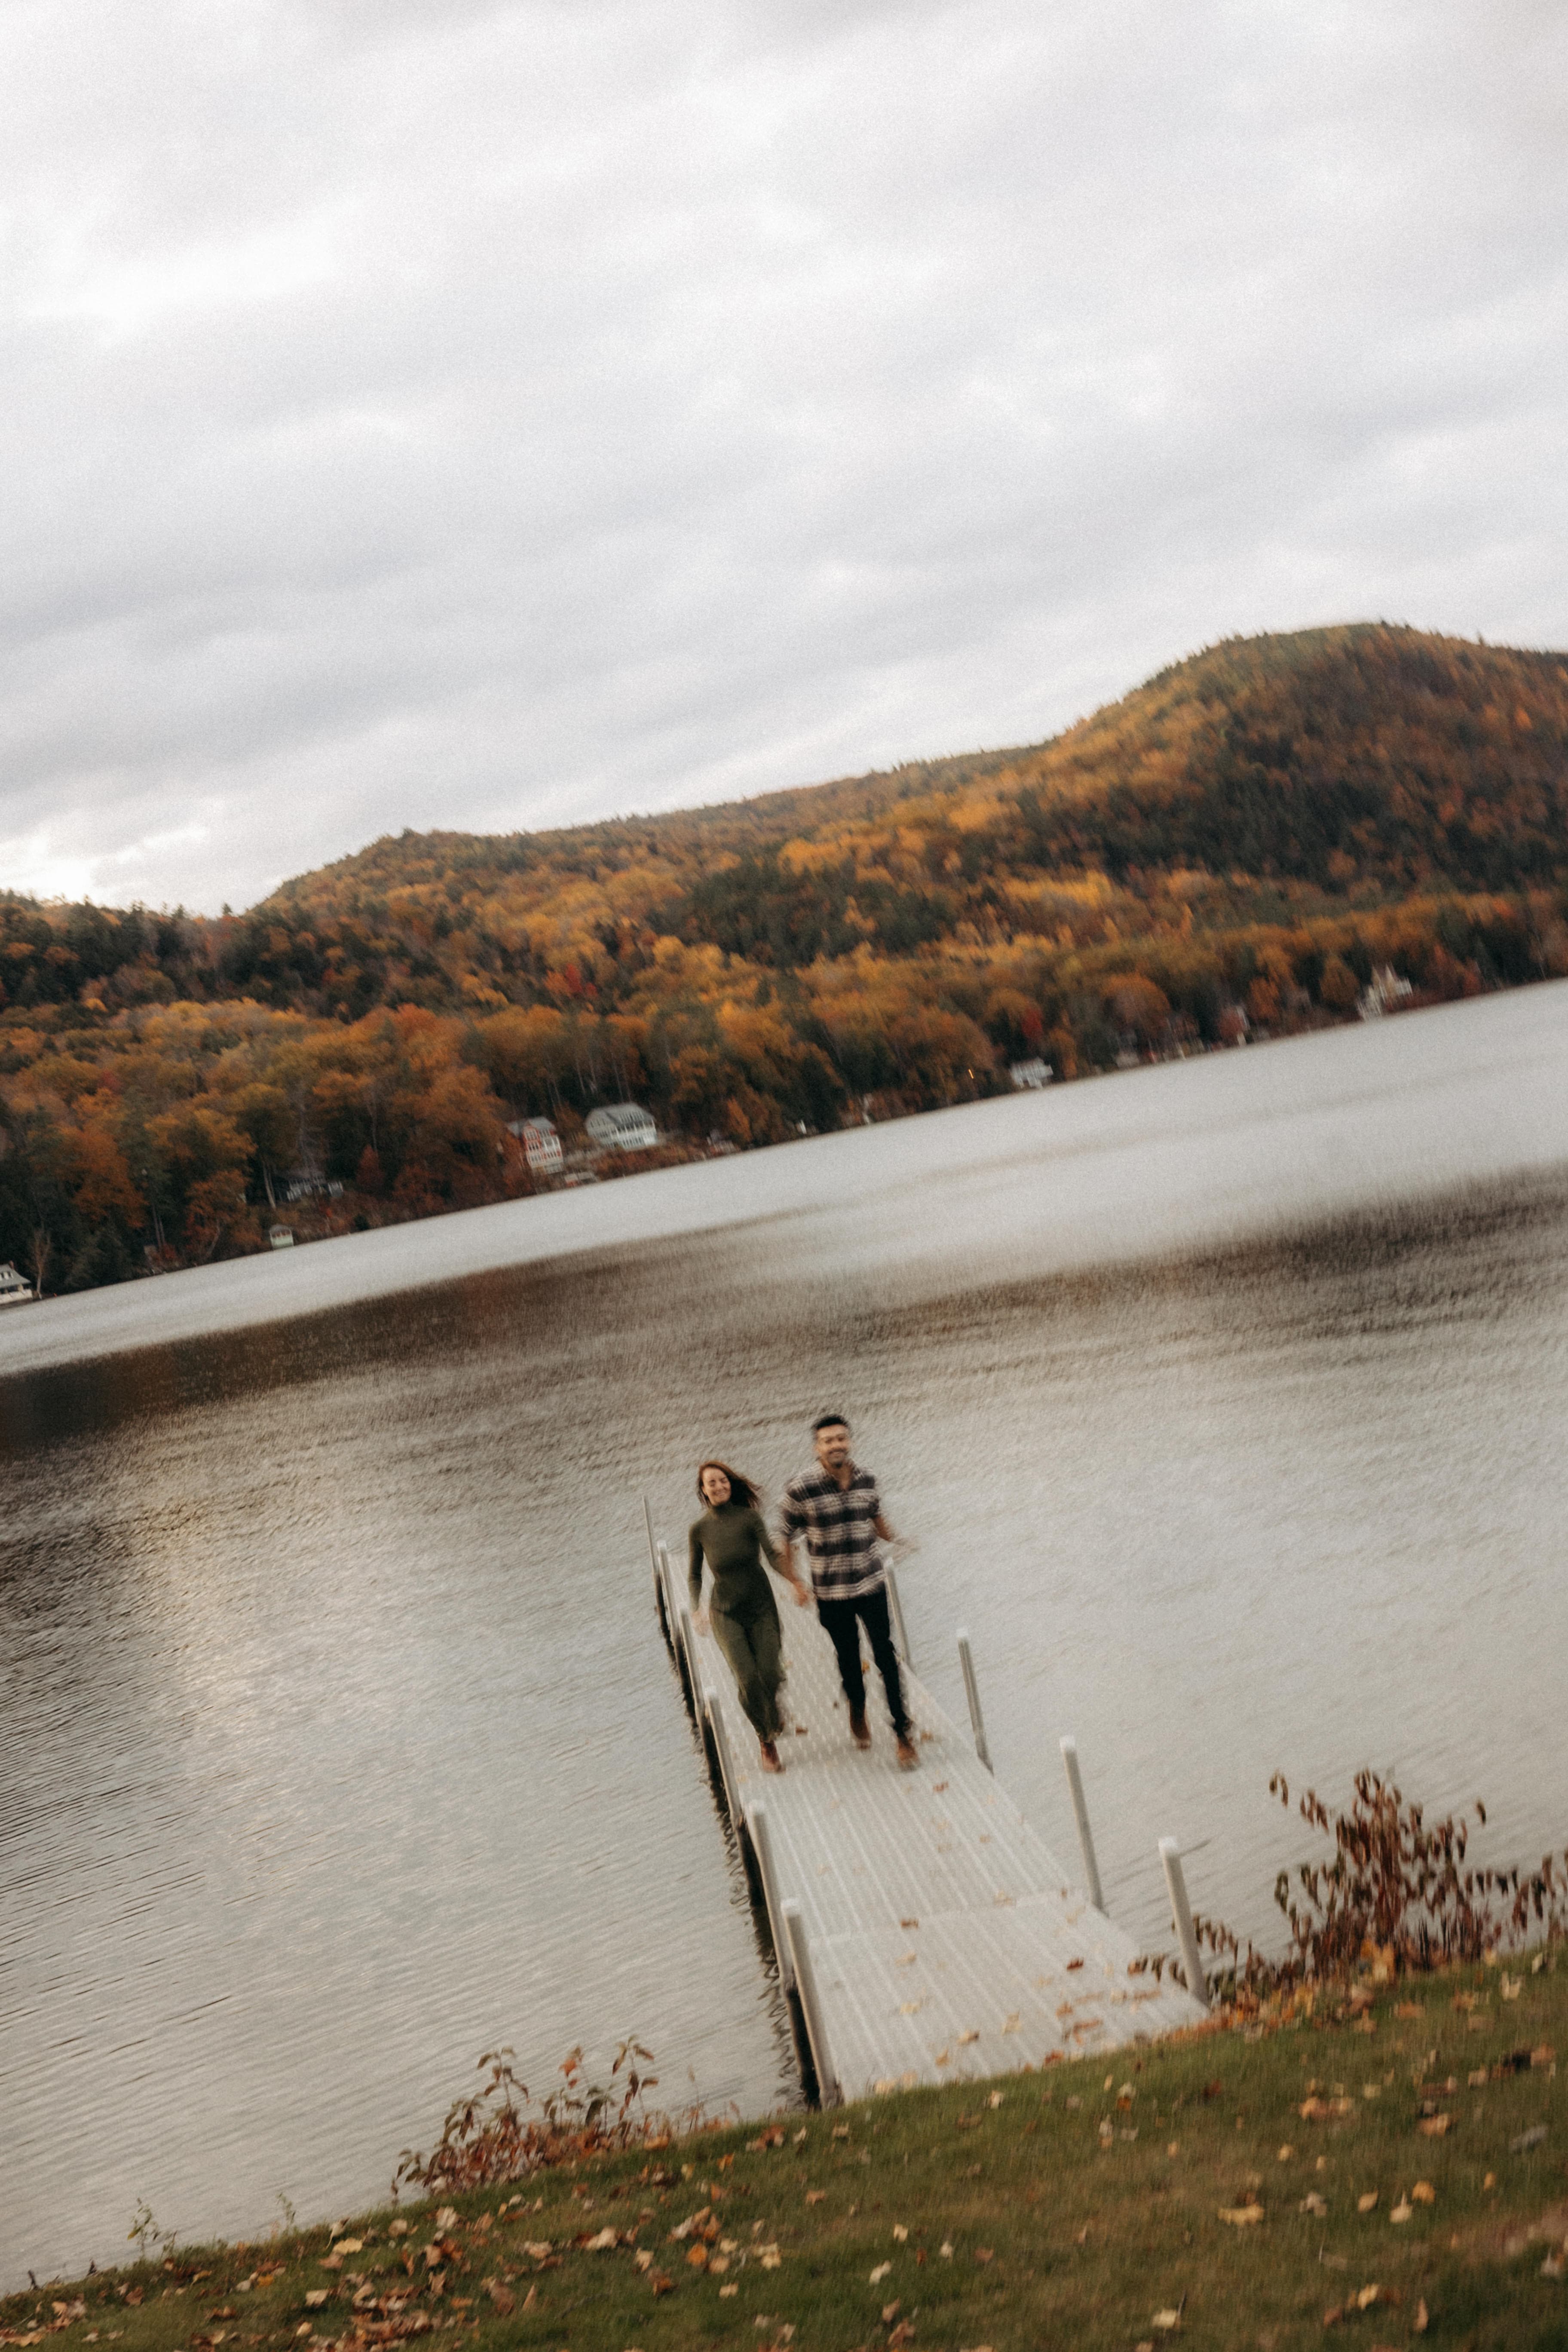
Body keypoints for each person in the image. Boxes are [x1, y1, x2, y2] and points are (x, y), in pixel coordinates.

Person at [780, 1412, 918, 1770]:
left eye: (841, 1438)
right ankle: (857, 1705)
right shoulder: (801, 1487)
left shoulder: (867, 1479)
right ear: (817, 1448)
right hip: (831, 1592)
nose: (836, 1445)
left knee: (886, 1655)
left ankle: (902, 1732)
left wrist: (902, 1540)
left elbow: (877, 1522)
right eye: (828, 1441)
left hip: (871, 1583)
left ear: (850, 1441)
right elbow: (785, 1536)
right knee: (849, 1659)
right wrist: (795, 1581)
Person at [689, 1459, 811, 1774]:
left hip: (761, 1608)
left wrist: (795, 1581)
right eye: (712, 1483)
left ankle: (772, 1704)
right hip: (725, 1613)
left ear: (731, 1484)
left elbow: (771, 1556)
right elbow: (694, 1574)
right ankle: (766, 1739)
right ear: (703, 1490)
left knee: (769, 1673)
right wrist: (696, 1607)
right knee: (747, 1679)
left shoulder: (749, 1518)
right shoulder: (699, 1530)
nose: (720, 1486)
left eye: (724, 1481)